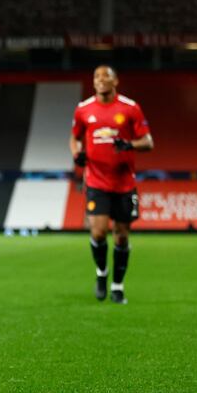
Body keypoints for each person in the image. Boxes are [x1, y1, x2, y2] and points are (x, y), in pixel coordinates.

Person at [70, 65, 154, 304]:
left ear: (115, 81)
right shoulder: (83, 110)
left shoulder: (130, 108)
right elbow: (74, 138)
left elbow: (148, 142)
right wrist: (77, 154)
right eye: (96, 76)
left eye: (106, 76)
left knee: (122, 237)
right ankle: (101, 273)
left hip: (124, 184)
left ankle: (117, 286)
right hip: (96, 181)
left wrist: (129, 145)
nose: (100, 79)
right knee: (97, 232)